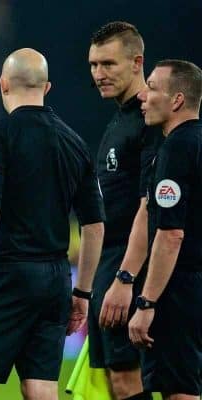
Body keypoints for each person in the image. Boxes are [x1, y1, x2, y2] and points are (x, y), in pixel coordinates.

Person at [0, 48, 105, 400]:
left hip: (7, 275)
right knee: (40, 386)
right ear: (47, 88)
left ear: (2, 85)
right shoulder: (75, 143)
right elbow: (94, 227)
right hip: (55, 279)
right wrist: (82, 293)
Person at [87, 21, 163, 400]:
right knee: (118, 382)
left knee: (131, 380)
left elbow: (149, 206)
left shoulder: (151, 120)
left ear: (137, 63)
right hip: (112, 266)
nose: (98, 74)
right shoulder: (121, 119)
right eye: (93, 65)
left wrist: (126, 277)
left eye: (108, 64)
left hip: (130, 270)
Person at [129, 59, 202, 399]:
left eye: (153, 88)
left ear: (177, 101)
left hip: (181, 288)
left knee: (179, 389)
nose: (143, 95)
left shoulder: (175, 148)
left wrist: (146, 304)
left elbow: (171, 234)